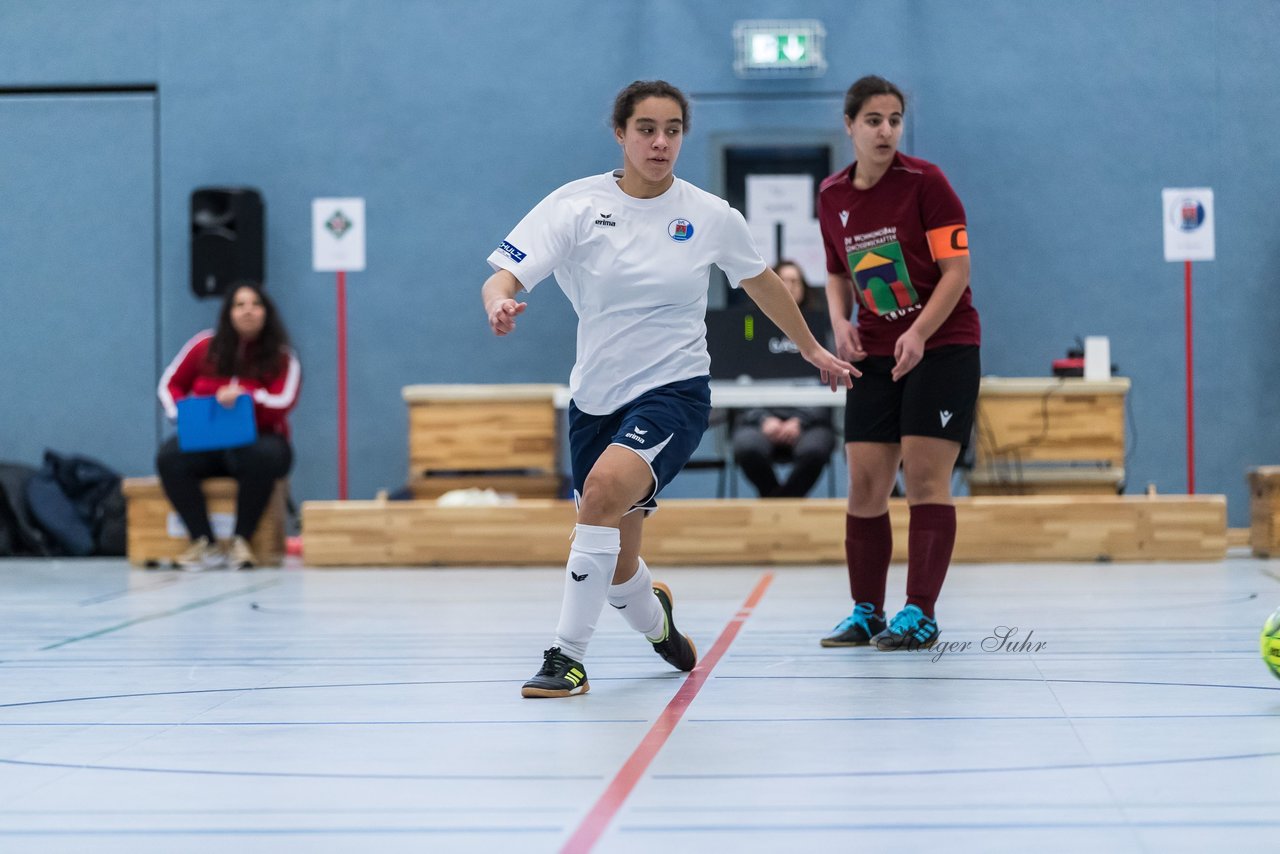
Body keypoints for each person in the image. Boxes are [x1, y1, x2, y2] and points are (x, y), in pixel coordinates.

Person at [482, 80, 857, 698]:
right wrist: (500, 304)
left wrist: (814, 347)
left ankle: (564, 657)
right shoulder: (575, 206)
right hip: (596, 398)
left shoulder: (709, 214)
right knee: (618, 559)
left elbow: (761, 283)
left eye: (673, 130)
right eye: (647, 129)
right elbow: (504, 274)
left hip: (674, 391)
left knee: (601, 494)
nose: (660, 143)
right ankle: (660, 626)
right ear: (620, 134)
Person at [817, 75, 981, 651]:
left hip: (942, 347)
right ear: (849, 126)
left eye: (894, 120)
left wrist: (918, 331)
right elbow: (837, 271)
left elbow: (957, 272)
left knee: (925, 477)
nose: (885, 130)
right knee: (864, 482)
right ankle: (867, 610)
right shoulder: (832, 194)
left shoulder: (926, 183)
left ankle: (921, 613)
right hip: (874, 353)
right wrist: (839, 322)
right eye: (873, 120)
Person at [156, 282, 301, 570]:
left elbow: (283, 400)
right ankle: (203, 541)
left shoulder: (283, 358)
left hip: (259, 441)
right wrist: (185, 413)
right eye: (240, 304)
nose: (248, 311)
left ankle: (241, 540)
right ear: (228, 312)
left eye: (255, 304)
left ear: (266, 312)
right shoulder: (202, 346)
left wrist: (248, 399)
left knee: (263, 456)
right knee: (170, 457)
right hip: (209, 441)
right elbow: (169, 385)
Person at [731, 260, 837, 498]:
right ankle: (780, 501)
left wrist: (799, 421)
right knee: (747, 447)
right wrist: (763, 419)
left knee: (816, 449)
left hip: (808, 423)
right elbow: (740, 373)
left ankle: (779, 502)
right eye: (783, 281)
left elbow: (829, 380)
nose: (789, 287)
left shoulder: (820, 329)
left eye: (795, 281)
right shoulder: (751, 327)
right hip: (759, 420)